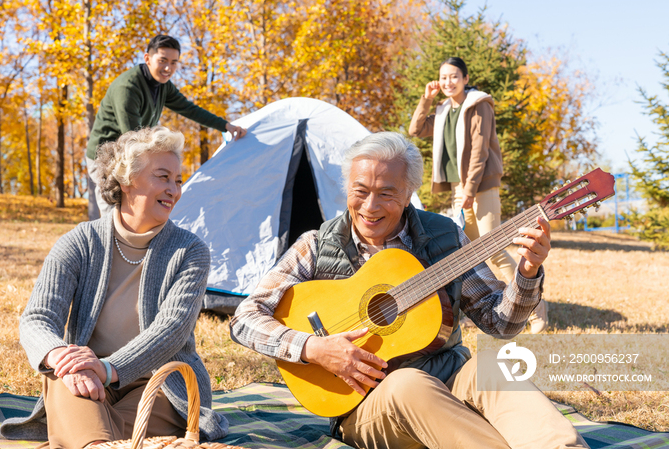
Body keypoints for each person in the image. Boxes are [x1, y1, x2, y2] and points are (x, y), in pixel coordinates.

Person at [230, 132, 588, 449]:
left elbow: (501, 324)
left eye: (386, 193)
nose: (370, 207)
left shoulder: (445, 238)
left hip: (449, 378)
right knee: (407, 383)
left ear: (409, 194)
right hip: (366, 405)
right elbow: (244, 319)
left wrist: (527, 272)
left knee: (492, 365)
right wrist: (314, 347)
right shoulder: (316, 245)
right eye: (360, 191)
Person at [0, 127, 228, 449]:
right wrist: (62, 356)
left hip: (162, 384)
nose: (174, 190)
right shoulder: (79, 242)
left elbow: (171, 330)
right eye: (163, 177)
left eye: (177, 180)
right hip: (84, 375)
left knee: (94, 427)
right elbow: (38, 318)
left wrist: (107, 368)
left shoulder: (190, 251)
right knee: (62, 380)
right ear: (126, 181)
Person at [408, 56, 548, 333]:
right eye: (443, 77)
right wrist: (426, 100)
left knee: (493, 249)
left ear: (466, 79)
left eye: (454, 77)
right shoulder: (446, 110)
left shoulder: (478, 105)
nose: (448, 82)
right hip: (461, 186)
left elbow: (480, 151)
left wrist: (469, 191)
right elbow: (415, 129)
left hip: (480, 184)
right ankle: (486, 306)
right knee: (470, 252)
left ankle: (536, 312)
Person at [86, 34, 247, 219]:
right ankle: (106, 245)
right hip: (107, 155)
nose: (168, 68)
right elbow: (131, 136)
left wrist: (225, 126)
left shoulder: (163, 85)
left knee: (135, 213)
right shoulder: (128, 88)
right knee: (113, 212)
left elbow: (189, 109)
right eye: (162, 61)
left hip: (130, 152)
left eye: (174, 62)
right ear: (147, 58)